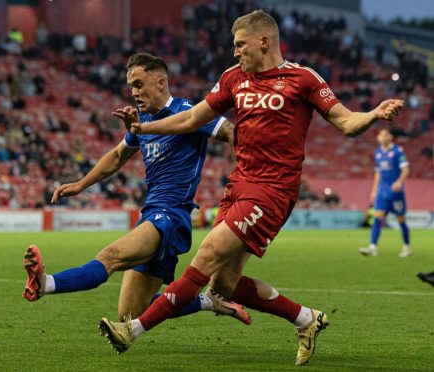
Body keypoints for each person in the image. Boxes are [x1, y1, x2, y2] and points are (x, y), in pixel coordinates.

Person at [99, 10, 404, 366]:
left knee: (207, 253)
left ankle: (132, 330)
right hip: (240, 184)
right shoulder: (233, 78)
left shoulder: (302, 79)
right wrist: (142, 130)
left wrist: (374, 114)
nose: (234, 52)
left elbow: (347, 122)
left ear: (264, 41)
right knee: (222, 285)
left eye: (240, 44)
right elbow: (190, 118)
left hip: (273, 190)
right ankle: (306, 319)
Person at [22, 53, 251, 325]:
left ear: (160, 82)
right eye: (131, 86)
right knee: (131, 313)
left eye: (139, 84)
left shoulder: (187, 112)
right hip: (152, 213)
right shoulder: (142, 122)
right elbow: (118, 155)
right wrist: (81, 184)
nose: (134, 92)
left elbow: (231, 131)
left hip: (171, 216)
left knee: (110, 257)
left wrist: (245, 180)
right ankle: (208, 301)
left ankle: (45, 283)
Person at [358, 128, 411, 257]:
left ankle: (406, 247)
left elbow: (406, 170)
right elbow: (378, 173)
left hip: (396, 193)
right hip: (382, 192)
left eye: (386, 134)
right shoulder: (377, 153)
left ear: (391, 137)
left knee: (401, 220)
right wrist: (374, 190)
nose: (383, 137)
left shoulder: (398, 151)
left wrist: (399, 182)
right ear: (378, 138)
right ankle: (372, 247)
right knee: (377, 218)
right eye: (381, 134)